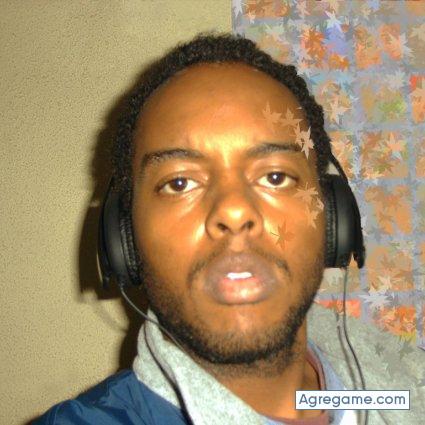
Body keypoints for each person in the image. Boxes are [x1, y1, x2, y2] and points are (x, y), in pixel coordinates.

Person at [33, 32, 422, 425]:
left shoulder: (405, 379)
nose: (234, 211)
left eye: (275, 177)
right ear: (125, 239)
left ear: (333, 218)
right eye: (179, 183)